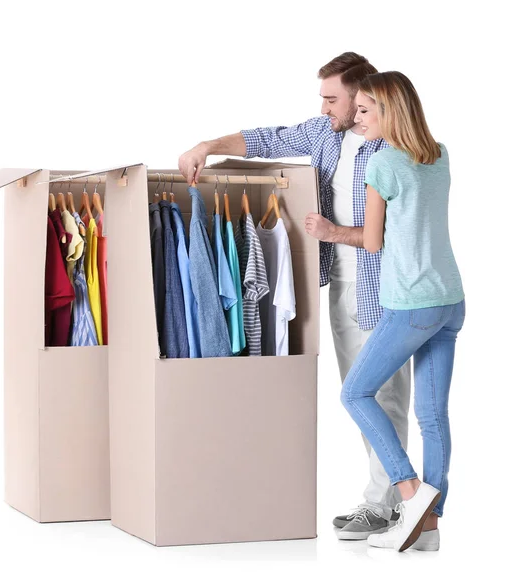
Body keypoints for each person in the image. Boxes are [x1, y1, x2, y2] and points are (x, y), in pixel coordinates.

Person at [178, 52, 412, 540]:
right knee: (359, 393)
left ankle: (387, 504)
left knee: (384, 394)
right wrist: (207, 144)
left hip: (385, 283)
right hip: (343, 283)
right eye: (322, 100)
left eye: (333, 99)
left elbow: (402, 226)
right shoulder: (325, 133)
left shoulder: (392, 143)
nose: (325, 108)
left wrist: (332, 231)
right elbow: (267, 138)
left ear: (361, 94)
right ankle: (390, 500)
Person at [340, 71, 465, 552]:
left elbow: (371, 243)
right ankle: (429, 526)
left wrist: (333, 231)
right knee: (432, 415)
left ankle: (410, 494)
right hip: (450, 300)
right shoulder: (439, 154)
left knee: (355, 392)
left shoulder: (382, 164)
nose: (358, 117)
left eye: (366, 109)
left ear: (389, 111)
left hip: (410, 304)